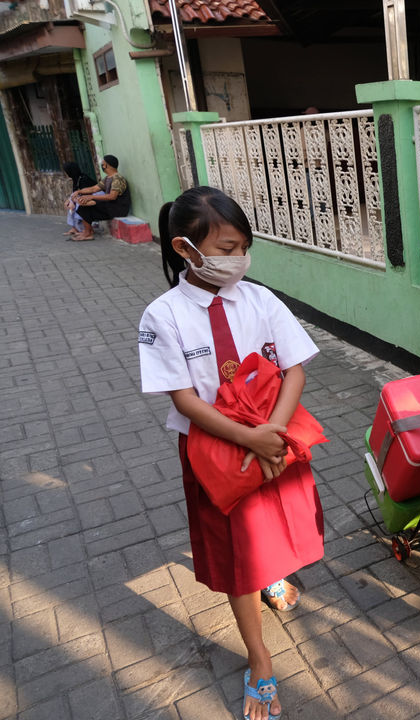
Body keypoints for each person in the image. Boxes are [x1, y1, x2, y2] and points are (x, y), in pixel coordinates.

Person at [138, 186, 325, 720]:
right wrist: (247, 438)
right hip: (218, 447)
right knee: (236, 552)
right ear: (184, 247)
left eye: (244, 246)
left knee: (274, 528)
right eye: (225, 247)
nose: (238, 258)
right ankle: (260, 657)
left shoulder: (260, 298)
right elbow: (183, 399)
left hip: (273, 436)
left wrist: (275, 430)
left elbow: (295, 368)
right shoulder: (163, 315)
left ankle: (273, 573)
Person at [70, 154, 131, 241]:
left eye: (103, 163)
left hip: (118, 208)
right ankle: (88, 232)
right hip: (110, 206)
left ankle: (88, 233)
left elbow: (112, 197)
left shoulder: (118, 179)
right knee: (83, 206)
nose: (102, 165)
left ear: (107, 165)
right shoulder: (107, 178)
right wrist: (79, 192)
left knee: (86, 206)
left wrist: (91, 197)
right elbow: (94, 188)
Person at [62, 161, 97, 237]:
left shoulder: (84, 179)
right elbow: (74, 193)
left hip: (94, 198)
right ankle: (74, 228)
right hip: (83, 197)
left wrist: (73, 201)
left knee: (78, 205)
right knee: (70, 205)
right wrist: (69, 201)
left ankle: (86, 229)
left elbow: (86, 194)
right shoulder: (76, 179)